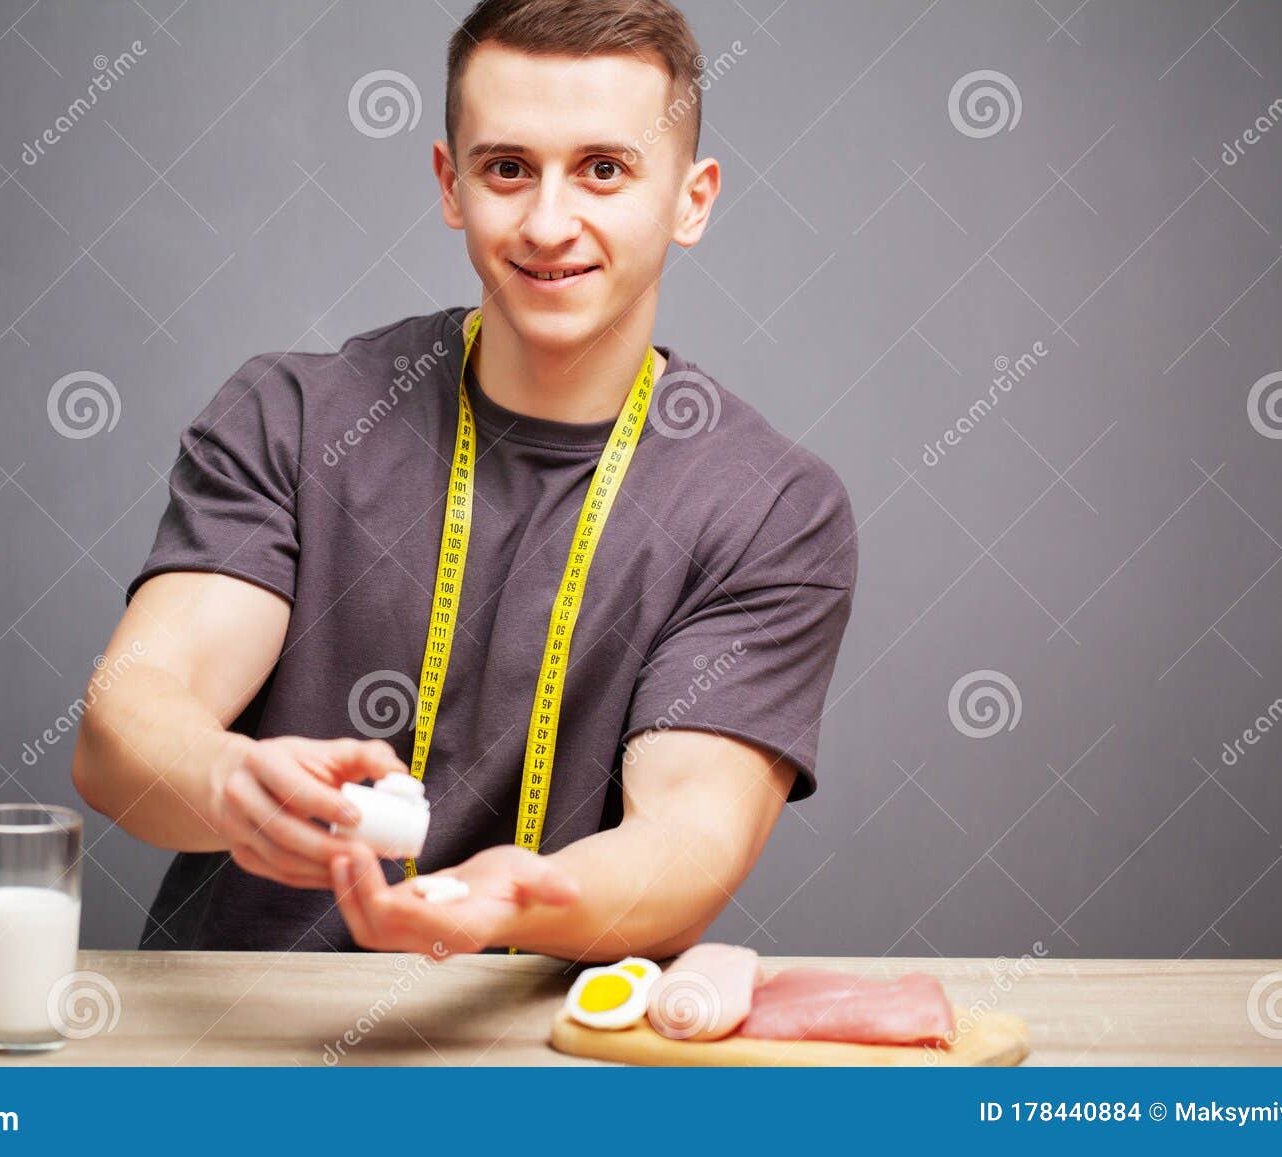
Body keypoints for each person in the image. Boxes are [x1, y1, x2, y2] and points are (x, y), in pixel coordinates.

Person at [71, 0, 857, 960]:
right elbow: (126, 725)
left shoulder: (768, 507)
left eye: (604, 170)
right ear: (452, 184)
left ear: (691, 199)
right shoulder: (295, 415)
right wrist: (230, 782)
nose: (549, 223)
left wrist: (511, 899)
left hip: (536, 1063)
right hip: (236, 1047)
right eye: (508, 169)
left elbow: (689, 840)